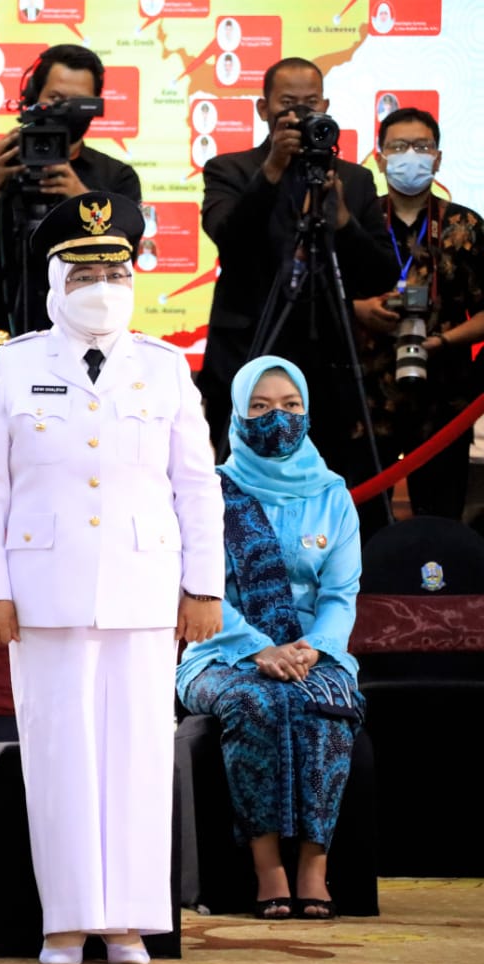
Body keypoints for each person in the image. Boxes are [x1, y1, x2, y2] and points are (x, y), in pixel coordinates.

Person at [0, 192, 225, 964]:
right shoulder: (15, 365)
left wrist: (204, 586)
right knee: (59, 756)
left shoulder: (165, 367)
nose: (101, 286)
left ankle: (130, 920)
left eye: (114, 272)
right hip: (44, 591)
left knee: (139, 757)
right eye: (83, 274)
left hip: (145, 590)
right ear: (54, 281)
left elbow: (197, 486)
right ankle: (68, 920)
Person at [176, 355, 363, 921]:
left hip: (312, 654)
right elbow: (200, 591)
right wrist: (259, 648)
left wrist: (314, 648)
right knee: (258, 702)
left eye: (290, 405)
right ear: (237, 414)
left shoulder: (332, 495)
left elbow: (340, 594)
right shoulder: (210, 493)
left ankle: (314, 866)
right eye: (259, 407)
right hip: (220, 654)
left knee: (327, 701)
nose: (276, 418)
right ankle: (267, 868)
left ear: (307, 411)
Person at [199, 57, 398, 476]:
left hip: (329, 361)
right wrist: (272, 169)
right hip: (246, 351)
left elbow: (380, 274)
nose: (301, 113)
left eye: (311, 102)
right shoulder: (230, 170)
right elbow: (229, 240)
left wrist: (343, 222)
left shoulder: (353, 179)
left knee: (332, 476)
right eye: (288, 103)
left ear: (325, 106)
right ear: (263, 109)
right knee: (238, 477)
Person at [0, 44, 142, 339]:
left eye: (76, 102)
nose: (64, 111)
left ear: (93, 106)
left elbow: (124, 258)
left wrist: (81, 198)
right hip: (7, 332)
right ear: (33, 96)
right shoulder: (3, 162)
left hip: (89, 335)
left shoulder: (116, 176)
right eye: (55, 99)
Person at [352, 107, 484, 527]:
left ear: (438, 158)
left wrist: (444, 341)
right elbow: (325, 298)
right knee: (363, 523)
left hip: (445, 399)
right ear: (380, 158)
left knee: (440, 523)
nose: (411, 155)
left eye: (422, 146)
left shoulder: (465, 225)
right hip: (367, 399)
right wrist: (360, 310)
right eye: (398, 147)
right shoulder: (356, 222)